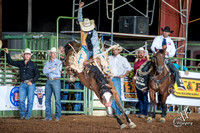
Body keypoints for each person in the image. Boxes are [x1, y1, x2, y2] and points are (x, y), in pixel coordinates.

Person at [4, 48, 40, 120]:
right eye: (26, 54)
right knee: (21, 100)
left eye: (28, 54)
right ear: (24, 55)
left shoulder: (33, 65)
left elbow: (38, 74)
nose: (27, 55)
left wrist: (32, 81)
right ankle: (23, 114)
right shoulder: (21, 63)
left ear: (30, 56)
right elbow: (11, 62)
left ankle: (28, 115)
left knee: (30, 100)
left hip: (30, 84)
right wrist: (7, 53)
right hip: (23, 83)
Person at [150, 26, 186, 90]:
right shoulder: (157, 38)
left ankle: (174, 85)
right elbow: (152, 47)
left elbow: (173, 51)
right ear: (163, 32)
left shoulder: (171, 41)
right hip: (157, 57)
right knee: (146, 67)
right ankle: (144, 83)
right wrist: (159, 50)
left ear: (169, 33)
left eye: (167, 32)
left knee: (175, 71)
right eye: (165, 31)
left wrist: (168, 53)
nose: (165, 33)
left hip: (166, 58)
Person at [108, 45, 132, 116]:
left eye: (116, 50)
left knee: (117, 94)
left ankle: (119, 112)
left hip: (116, 78)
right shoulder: (109, 58)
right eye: (113, 50)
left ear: (119, 50)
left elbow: (129, 68)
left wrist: (124, 75)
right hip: (110, 78)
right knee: (110, 95)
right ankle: (113, 112)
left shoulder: (123, 59)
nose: (115, 51)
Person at [43, 47, 62, 121]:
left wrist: (48, 69)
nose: (53, 55)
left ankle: (57, 116)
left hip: (55, 80)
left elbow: (57, 71)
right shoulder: (48, 62)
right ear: (50, 54)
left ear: (56, 54)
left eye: (55, 53)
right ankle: (48, 116)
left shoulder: (59, 62)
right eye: (52, 53)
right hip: (49, 81)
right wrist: (51, 69)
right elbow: (44, 71)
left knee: (57, 99)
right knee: (47, 99)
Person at [132, 47, 149, 118]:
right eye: (139, 52)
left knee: (144, 97)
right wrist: (133, 77)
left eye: (142, 52)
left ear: (144, 54)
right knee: (140, 97)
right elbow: (135, 71)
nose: (140, 54)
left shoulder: (146, 61)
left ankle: (145, 113)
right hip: (138, 80)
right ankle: (141, 112)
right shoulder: (136, 62)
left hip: (144, 81)